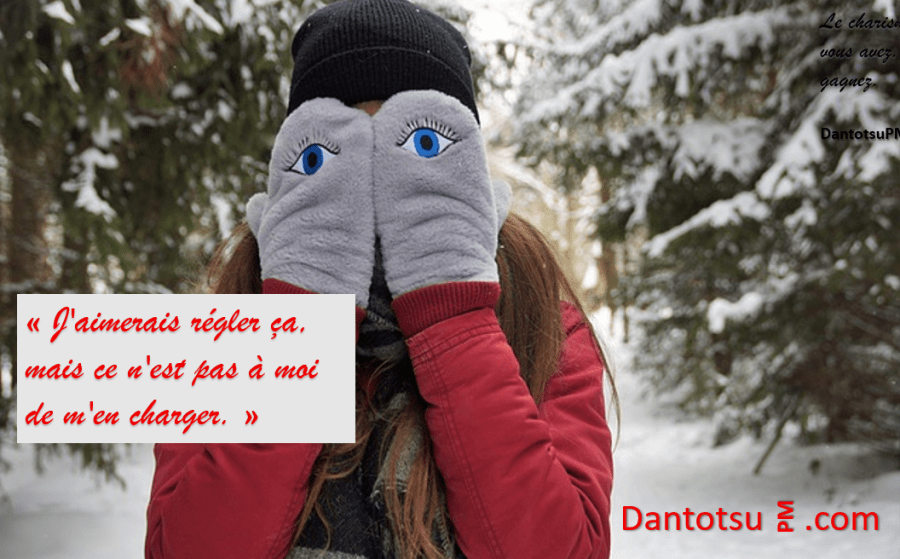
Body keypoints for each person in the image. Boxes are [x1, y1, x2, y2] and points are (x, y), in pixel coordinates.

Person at [144, 1, 615, 558]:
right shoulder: (223, 331)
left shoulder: (542, 325)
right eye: (341, 154)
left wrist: (451, 308)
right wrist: (303, 318)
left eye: (417, 148)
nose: (377, 183)